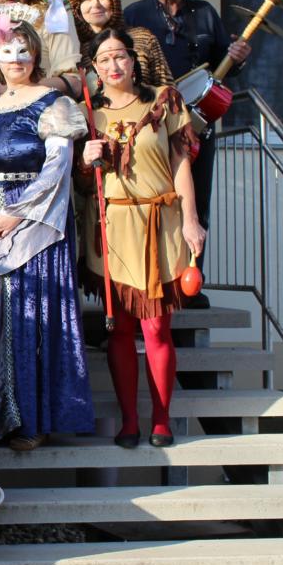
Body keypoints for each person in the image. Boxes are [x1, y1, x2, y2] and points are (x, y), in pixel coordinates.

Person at [0, 18, 93, 450]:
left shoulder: (54, 104)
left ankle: (30, 420)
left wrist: (15, 217)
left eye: (23, 50)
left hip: (34, 227)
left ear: (36, 54)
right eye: (6, 50)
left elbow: (56, 170)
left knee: (26, 316)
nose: (15, 58)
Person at [79, 29, 204, 449]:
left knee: (156, 328)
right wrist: (86, 160)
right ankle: (130, 420)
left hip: (160, 222)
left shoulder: (165, 100)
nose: (113, 65)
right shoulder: (87, 114)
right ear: (95, 70)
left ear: (134, 61)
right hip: (111, 226)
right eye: (104, 59)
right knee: (119, 329)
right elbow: (79, 183)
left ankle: (161, 419)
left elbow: (181, 163)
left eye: (120, 56)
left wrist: (191, 220)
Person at [121, 0, 250, 307]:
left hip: (197, 124)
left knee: (198, 203)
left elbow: (225, 66)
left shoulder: (205, 13)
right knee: (153, 201)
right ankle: (151, 283)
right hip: (151, 125)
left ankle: (190, 284)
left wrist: (239, 58)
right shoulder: (134, 14)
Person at [62, 0, 173, 89]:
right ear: (77, 8)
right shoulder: (75, 51)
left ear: (114, 0)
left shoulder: (143, 38)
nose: (95, 5)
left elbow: (166, 89)